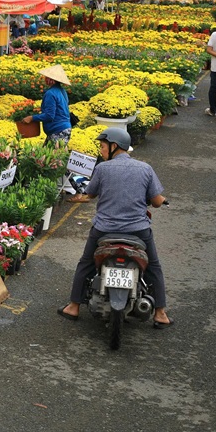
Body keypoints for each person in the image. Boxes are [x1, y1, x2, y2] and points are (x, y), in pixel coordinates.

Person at [57, 128, 172, 328]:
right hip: (138, 231)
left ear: (114, 146)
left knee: (86, 263)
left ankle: (73, 307)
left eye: (102, 146)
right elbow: (156, 201)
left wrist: (76, 198)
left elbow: (90, 195)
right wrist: (162, 201)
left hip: (104, 231)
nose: (101, 151)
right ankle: (160, 313)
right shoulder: (145, 168)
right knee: (153, 266)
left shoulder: (102, 169)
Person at [22, 64, 72, 145]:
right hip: (64, 128)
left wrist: (32, 118)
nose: (45, 79)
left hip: (57, 130)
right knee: (43, 155)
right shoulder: (62, 91)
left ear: (51, 80)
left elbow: (49, 116)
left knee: (52, 156)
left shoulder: (50, 93)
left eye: (47, 77)